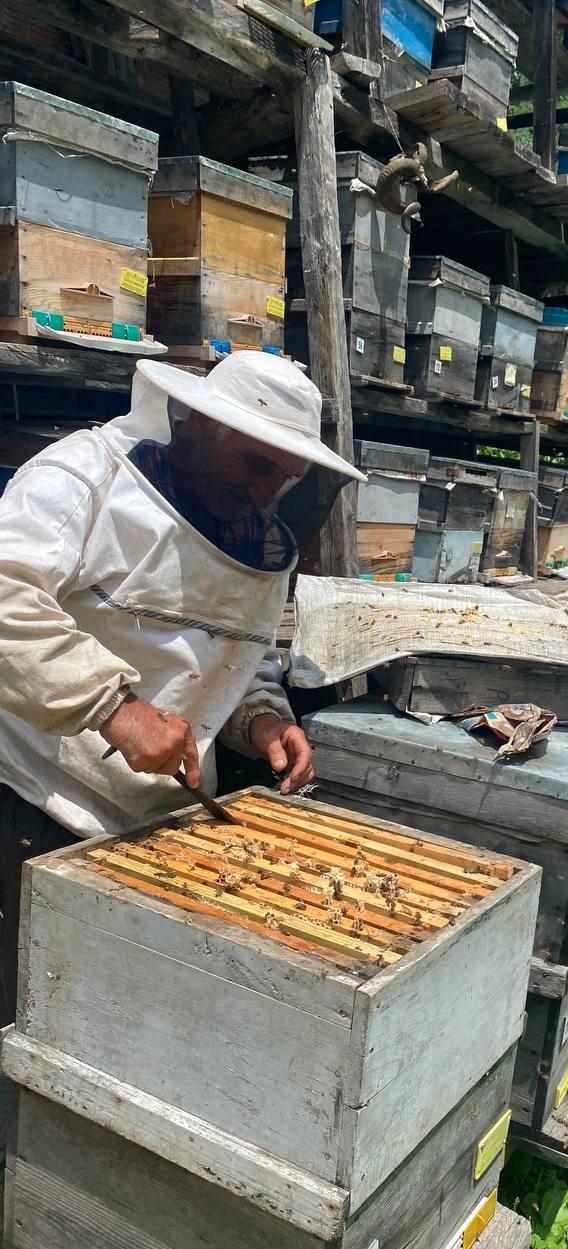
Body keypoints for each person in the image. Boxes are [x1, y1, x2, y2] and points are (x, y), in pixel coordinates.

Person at [0, 350, 364, 1022]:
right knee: (19, 1014)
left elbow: (235, 648)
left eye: (285, 478)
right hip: (30, 801)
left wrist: (260, 717)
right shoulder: (84, 476)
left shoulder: (256, 533)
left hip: (161, 824)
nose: (265, 493)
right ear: (192, 421)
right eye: (256, 463)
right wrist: (113, 706)